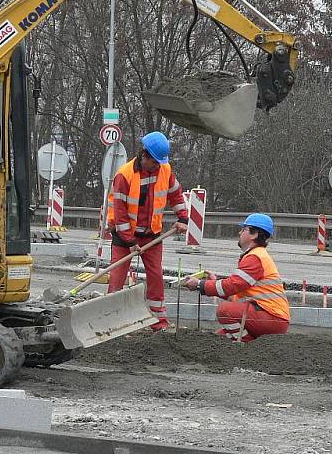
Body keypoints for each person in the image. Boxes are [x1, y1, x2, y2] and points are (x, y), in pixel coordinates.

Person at [106, 131, 189, 331]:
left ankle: (158, 322)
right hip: (124, 236)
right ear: (145, 156)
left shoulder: (165, 170)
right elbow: (120, 214)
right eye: (154, 162)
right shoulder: (124, 176)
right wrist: (129, 241)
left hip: (152, 236)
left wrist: (183, 218)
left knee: (155, 278)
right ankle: (110, 322)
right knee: (117, 279)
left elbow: (176, 195)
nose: (157, 166)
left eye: (160, 162)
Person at [183, 213, 290, 342]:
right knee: (220, 337)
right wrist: (213, 283)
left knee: (225, 310)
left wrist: (200, 284)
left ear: (254, 233)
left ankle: (247, 345)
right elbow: (236, 293)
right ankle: (247, 342)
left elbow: (232, 285)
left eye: (243, 229)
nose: (240, 233)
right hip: (269, 316)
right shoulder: (256, 255)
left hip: (271, 318)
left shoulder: (255, 258)